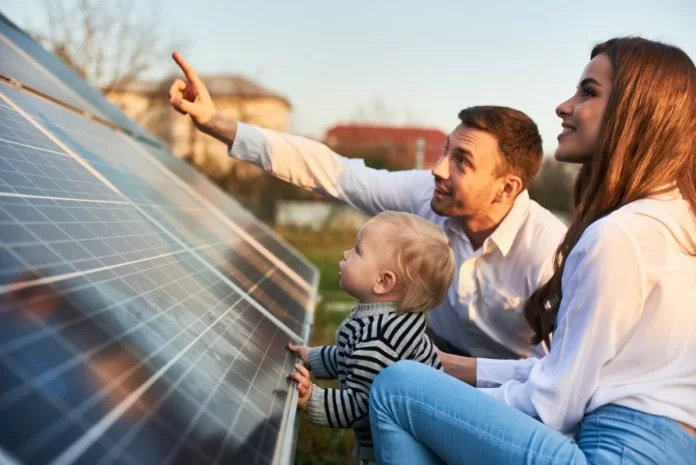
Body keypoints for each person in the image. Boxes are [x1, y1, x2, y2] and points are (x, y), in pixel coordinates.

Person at [367, 36, 696, 464]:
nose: (564, 106)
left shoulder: (618, 237)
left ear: (637, 113)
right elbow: (568, 368)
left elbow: (554, 405)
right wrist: (444, 367)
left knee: (397, 388)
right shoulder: (678, 220)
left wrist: (442, 405)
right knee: (419, 380)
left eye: (589, 92)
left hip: (613, 452)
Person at [168, 55, 567, 360]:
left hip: (512, 393)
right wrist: (216, 124)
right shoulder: (427, 195)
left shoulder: (549, 252)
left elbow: (560, 376)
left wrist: (445, 370)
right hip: (436, 357)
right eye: (446, 150)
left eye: (462, 161)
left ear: (506, 188)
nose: (438, 168)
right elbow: (333, 172)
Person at [286, 211, 455, 464]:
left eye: (357, 251)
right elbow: (350, 356)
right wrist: (312, 357)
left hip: (399, 449)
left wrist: (312, 399)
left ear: (383, 282)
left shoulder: (379, 339)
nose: (345, 254)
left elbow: (361, 406)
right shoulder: (385, 319)